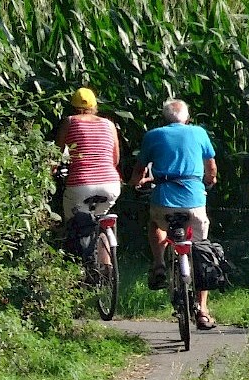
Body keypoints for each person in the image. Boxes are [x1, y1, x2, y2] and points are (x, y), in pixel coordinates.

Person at [129, 98, 219, 330]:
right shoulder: (199, 133)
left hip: (164, 203)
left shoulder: (154, 135)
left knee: (155, 225)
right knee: (201, 251)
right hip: (194, 203)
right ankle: (203, 311)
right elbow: (211, 166)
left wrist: (137, 183)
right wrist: (209, 180)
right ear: (187, 118)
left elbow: (139, 171)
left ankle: (159, 264)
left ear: (165, 118)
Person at [53, 87, 122, 278]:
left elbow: (56, 155)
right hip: (110, 183)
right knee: (100, 219)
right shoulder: (109, 125)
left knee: (72, 224)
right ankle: (107, 269)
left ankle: (80, 270)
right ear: (94, 106)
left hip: (80, 184)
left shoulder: (70, 122)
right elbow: (115, 159)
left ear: (73, 107)